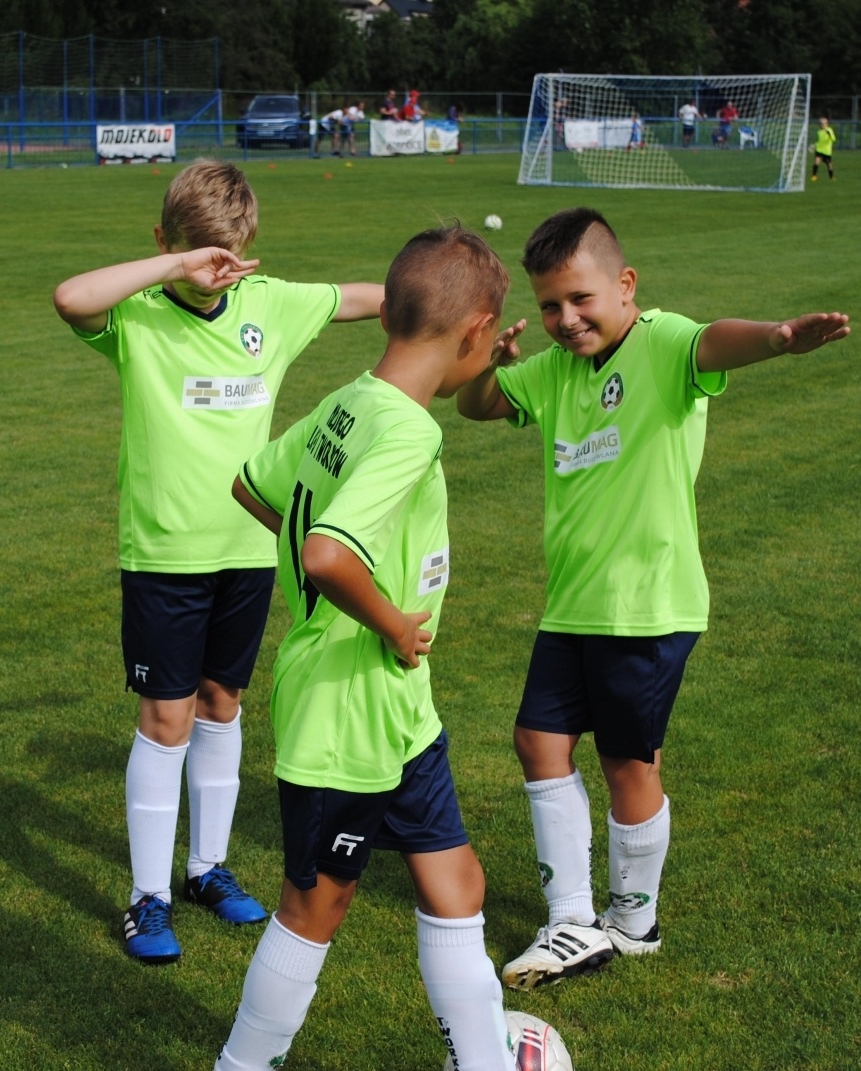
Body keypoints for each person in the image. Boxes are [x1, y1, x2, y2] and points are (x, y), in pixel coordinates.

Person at [455, 207, 849, 991]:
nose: (566, 320)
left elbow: (713, 341)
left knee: (626, 761)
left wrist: (775, 337)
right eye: (550, 307)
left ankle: (633, 920)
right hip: (573, 601)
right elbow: (477, 406)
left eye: (581, 299)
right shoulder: (555, 371)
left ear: (626, 286)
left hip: (647, 604)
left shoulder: (662, 340)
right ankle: (570, 919)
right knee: (538, 740)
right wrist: (484, 365)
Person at [51, 160, 386, 966]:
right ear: (164, 242)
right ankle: (147, 896)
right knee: (165, 717)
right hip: (164, 553)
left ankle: (205, 867)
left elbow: (367, 298)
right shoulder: (134, 315)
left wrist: (457, 295)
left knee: (222, 702)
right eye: (202, 256)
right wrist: (176, 265)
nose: (216, 274)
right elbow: (69, 296)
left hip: (249, 547)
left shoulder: (272, 304)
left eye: (230, 258)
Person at [216, 225, 517, 1071]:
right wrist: (387, 617)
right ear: (474, 332)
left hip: (399, 708)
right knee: (317, 903)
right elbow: (325, 553)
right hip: (343, 704)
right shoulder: (408, 432)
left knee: (457, 883)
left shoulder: (350, 399)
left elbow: (254, 485)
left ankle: (484, 1060)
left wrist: (343, 579)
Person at [811, 115, 837, 181]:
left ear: (826, 124)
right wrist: (814, 145)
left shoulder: (829, 130)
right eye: (820, 123)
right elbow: (820, 142)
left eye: (823, 123)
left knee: (829, 165)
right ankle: (814, 176)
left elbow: (833, 139)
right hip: (819, 150)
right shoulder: (819, 132)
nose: (821, 125)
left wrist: (829, 134)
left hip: (827, 151)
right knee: (816, 162)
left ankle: (831, 177)